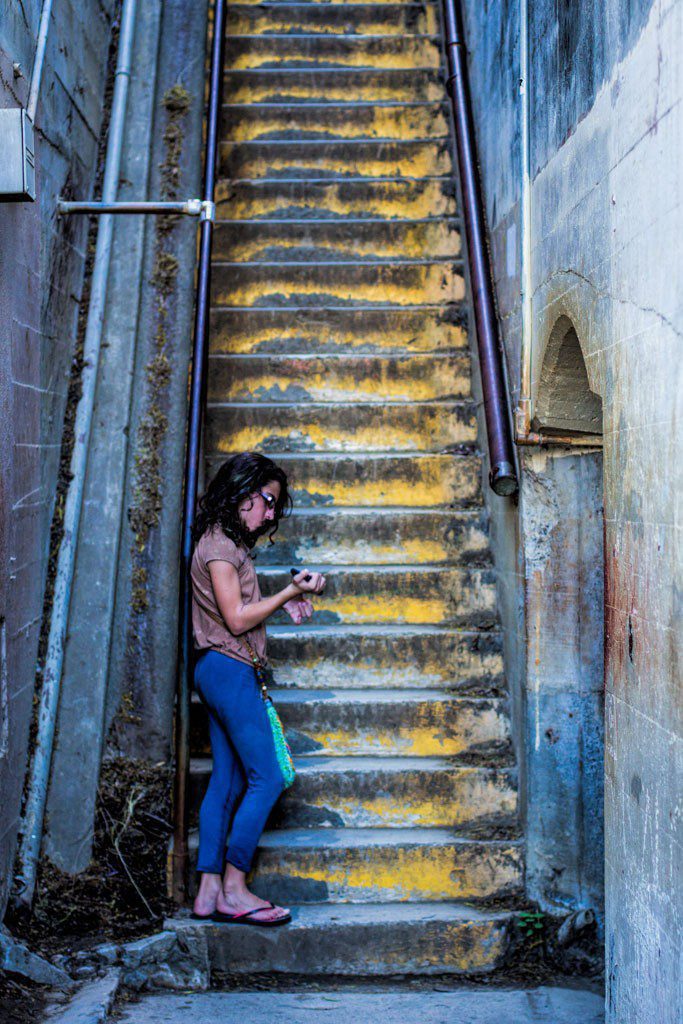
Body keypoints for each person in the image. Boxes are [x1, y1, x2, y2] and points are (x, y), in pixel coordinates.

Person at [189, 451, 326, 926]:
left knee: (226, 781)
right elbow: (236, 618)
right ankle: (235, 887)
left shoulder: (222, 541)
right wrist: (288, 593)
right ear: (243, 492)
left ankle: (208, 893)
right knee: (267, 777)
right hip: (228, 672)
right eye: (268, 501)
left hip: (217, 669)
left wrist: (280, 605)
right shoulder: (223, 548)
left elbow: (241, 612)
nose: (270, 513)